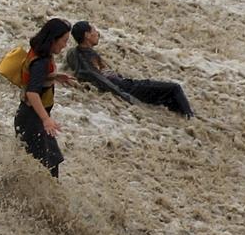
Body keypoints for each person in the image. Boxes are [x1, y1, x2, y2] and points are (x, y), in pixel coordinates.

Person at [64, 21, 195, 118]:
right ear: (87, 35)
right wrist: (125, 96)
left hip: (125, 84)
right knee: (175, 88)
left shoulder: (74, 53)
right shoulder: (88, 56)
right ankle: (190, 119)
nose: (97, 33)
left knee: (165, 97)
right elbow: (100, 79)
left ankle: (180, 117)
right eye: (94, 30)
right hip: (126, 87)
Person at [14, 17, 74, 178]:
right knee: (46, 168)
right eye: (64, 40)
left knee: (48, 164)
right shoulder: (41, 61)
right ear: (53, 39)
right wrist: (46, 119)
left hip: (31, 118)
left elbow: (35, 79)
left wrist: (53, 76)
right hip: (32, 120)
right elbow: (32, 93)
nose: (65, 45)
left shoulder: (40, 53)